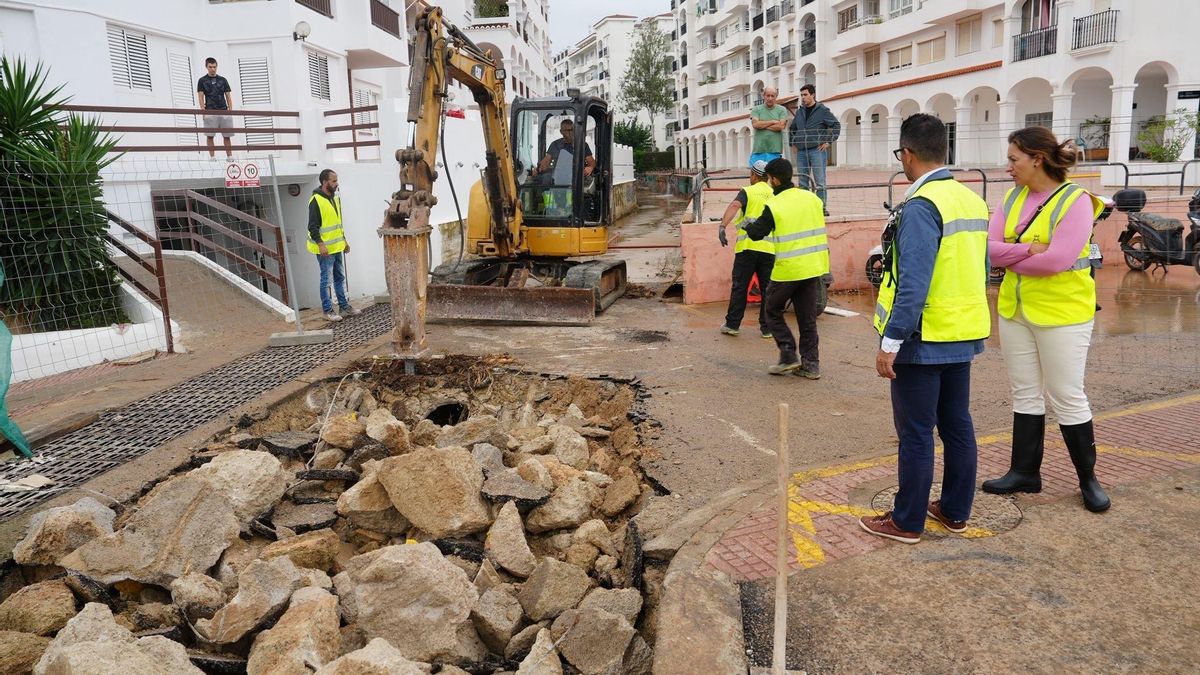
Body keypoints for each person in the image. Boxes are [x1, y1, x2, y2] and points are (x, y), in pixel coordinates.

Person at [860, 113, 991, 544]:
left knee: (915, 433)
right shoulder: (972, 200)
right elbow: (980, 267)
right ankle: (954, 511)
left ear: (908, 154)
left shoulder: (921, 206)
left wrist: (890, 341)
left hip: (923, 337)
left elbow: (913, 285)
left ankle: (907, 520)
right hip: (963, 333)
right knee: (957, 426)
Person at [981, 126, 1110, 513]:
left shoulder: (1076, 201)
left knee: (1067, 395)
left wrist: (1014, 253)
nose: (1008, 168)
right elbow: (989, 251)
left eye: (1014, 160)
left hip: (1063, 314)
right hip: (1016, 311)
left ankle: (1088, 479)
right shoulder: (1013, 196)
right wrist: (1027, 248)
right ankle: (1024, 472)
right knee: (1025, 393)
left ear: (1037, 158)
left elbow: (1057, 260)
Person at [742, 158, 827, 378]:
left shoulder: (775, 205)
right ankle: (811, 365)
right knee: (807, 318)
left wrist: (746, 225)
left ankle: (788, 355)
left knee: (771, 309)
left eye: (769, 179)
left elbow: (758, 232)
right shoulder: (813, 199)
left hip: (789, 269)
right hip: (814, 266)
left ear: (775, 179)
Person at [718, 159, 776, 338]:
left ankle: (732, 325)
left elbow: (735, 205)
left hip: (747, 247)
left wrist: (722, 226)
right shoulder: (775, 193)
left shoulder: (748, 191)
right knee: (768, 289)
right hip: (769, 249)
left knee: (740, 287)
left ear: (753, 175)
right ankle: (767, 328)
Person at [307, 169, 359, 322]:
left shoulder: (333, 198)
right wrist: (321, 244)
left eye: (336, 180)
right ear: (325, 182)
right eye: (334, 181)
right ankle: (327, 311)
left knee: (339, 277)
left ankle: (344, 307)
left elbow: (336, 223)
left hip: (337, 247)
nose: (337, 183)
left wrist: (344, 241)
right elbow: (312, 226)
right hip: (325, 250)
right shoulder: (316, 200)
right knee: (326, 280)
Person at [788, 84, 839, 215]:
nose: (803, 98)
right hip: (801, 152)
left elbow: (836, 125)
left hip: (817, 151)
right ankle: (806, 208)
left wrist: (828, 141)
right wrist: (792, 143)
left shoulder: (822, 110)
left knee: (820, 182)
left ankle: (821, 208)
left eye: (805, 95)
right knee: (803, 181)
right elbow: (792, 128)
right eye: (801, 95)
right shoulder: (800, 112)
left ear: (813, 95)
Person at [196, 57, 235, 159]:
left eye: (214, 67)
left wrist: (230, 111)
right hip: (210, 110)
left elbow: (228, 96)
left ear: (216, 66)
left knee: (227, 136)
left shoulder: (223, 80)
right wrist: (203, 112)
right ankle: (212, 157)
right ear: (206, 67)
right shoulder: (202, 81)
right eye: (210, 67)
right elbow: (200, 97)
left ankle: (230, 157)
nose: (212, 69)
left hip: (223, 110)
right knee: (210, 135)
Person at [749, 87, 789, 167]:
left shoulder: (782, 110)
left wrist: (762, 125)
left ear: (776, 97)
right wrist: (772, 121)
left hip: (774, 151)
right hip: (758, 150)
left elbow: (781, 126)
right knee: (757, 177)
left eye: (772, 96)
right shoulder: (756, 109)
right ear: (763, 96)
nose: (770, 98)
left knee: (773, 177)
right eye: (768, 95)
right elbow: (755, 124)